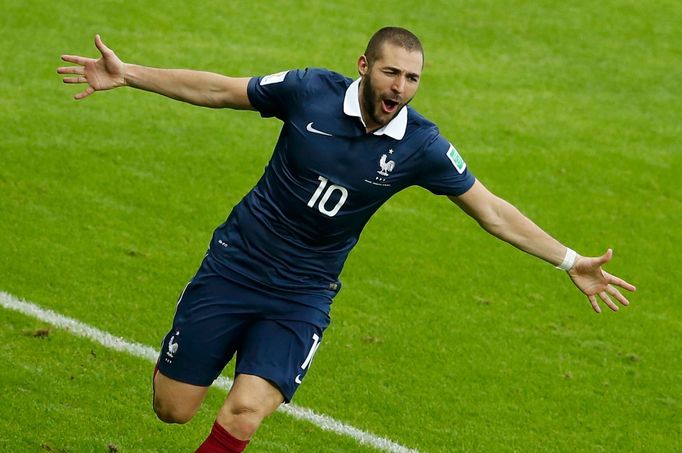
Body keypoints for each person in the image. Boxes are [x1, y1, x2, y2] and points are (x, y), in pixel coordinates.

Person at [58, 27, 636, 452]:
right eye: (391, 73)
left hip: (303, 293)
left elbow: (492, 211)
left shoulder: (421, 146)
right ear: (364, 65)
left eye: (412, 78)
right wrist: (129, 74)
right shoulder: (308, 91)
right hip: (234, 266)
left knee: (245, 412)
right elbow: (219, 90)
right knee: (173, 409)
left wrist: (569, 261)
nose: (401, 87)